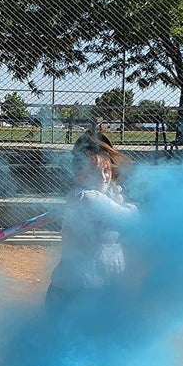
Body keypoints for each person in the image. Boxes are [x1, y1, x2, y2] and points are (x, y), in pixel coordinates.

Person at [46, 131, 137, 316]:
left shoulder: (101, 197)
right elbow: (130, 220)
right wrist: (125, 203)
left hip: (101, 292)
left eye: (106, 171)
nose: (103, 177)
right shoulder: (86, 197)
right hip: (74, 295)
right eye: (95, 171)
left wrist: (117, 198)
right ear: (79, 172)